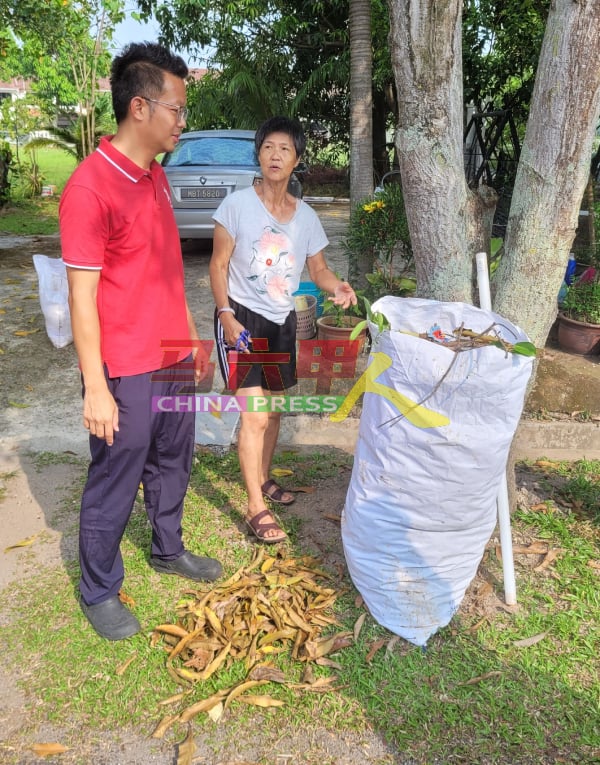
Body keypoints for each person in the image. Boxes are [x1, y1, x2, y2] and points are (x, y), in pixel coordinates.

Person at [60, 42, 222, 642]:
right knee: (115, 477)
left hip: (170, 356)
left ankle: (166, 547)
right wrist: (96, 388)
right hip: (123, 368)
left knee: (173, 460)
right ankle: (99, 588)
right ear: (139, 108)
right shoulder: (89, 189)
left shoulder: (155, 176)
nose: (183, 121)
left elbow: (166, 267)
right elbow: (81, 298)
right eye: (177, 109)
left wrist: (188, 341)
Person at [209, 116, 357, 544]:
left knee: (273, 412)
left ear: (297, 161)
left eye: (285, 149)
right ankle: (256, 506)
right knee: (254, 416)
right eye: (268, 147)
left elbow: (319, 269)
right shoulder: (236, 206)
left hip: (280, 323)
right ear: (259, 154)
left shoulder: (306, 216)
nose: (275, 155)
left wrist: (337, 286)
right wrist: (224, 314)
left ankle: (263, 477)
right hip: (240, 319)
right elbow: (217, 265)